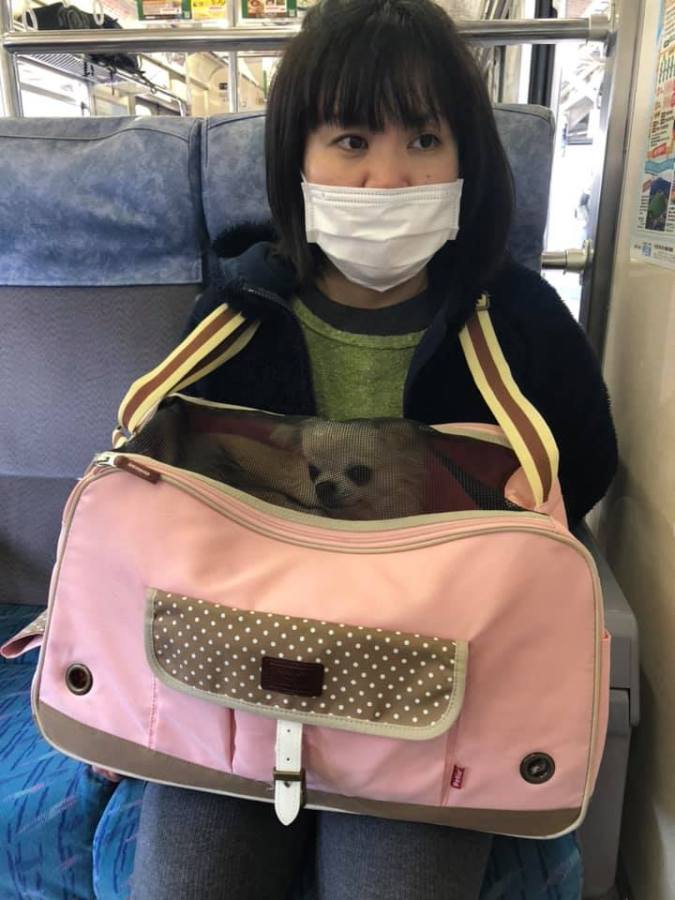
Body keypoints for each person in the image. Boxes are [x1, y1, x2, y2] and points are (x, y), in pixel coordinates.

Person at [130, 1, 618, 897]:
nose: (388, 179)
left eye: (424, 140)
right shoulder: (235, 318)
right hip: (242, 660)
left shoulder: (520, 320)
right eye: (351, 141)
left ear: (466, 158)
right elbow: (161, 487)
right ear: (297, 160)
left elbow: (579, 471)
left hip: (436, 678)